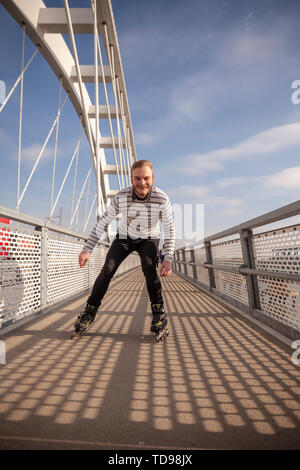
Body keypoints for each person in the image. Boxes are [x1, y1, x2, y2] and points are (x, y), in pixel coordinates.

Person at [74, 160, 175, 336]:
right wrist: (87, 249)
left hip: (150, 237)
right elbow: (103, 222)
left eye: (146, 178)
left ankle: (159, 313)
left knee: (149, 267)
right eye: (137, 178)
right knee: (108, 269)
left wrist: (168, 258)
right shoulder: (122, 197)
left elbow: (169, 228)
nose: (142, 183)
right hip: (125, 236)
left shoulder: (162, 198)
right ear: (131, 178)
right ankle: (89, 312)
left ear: (153, 178)